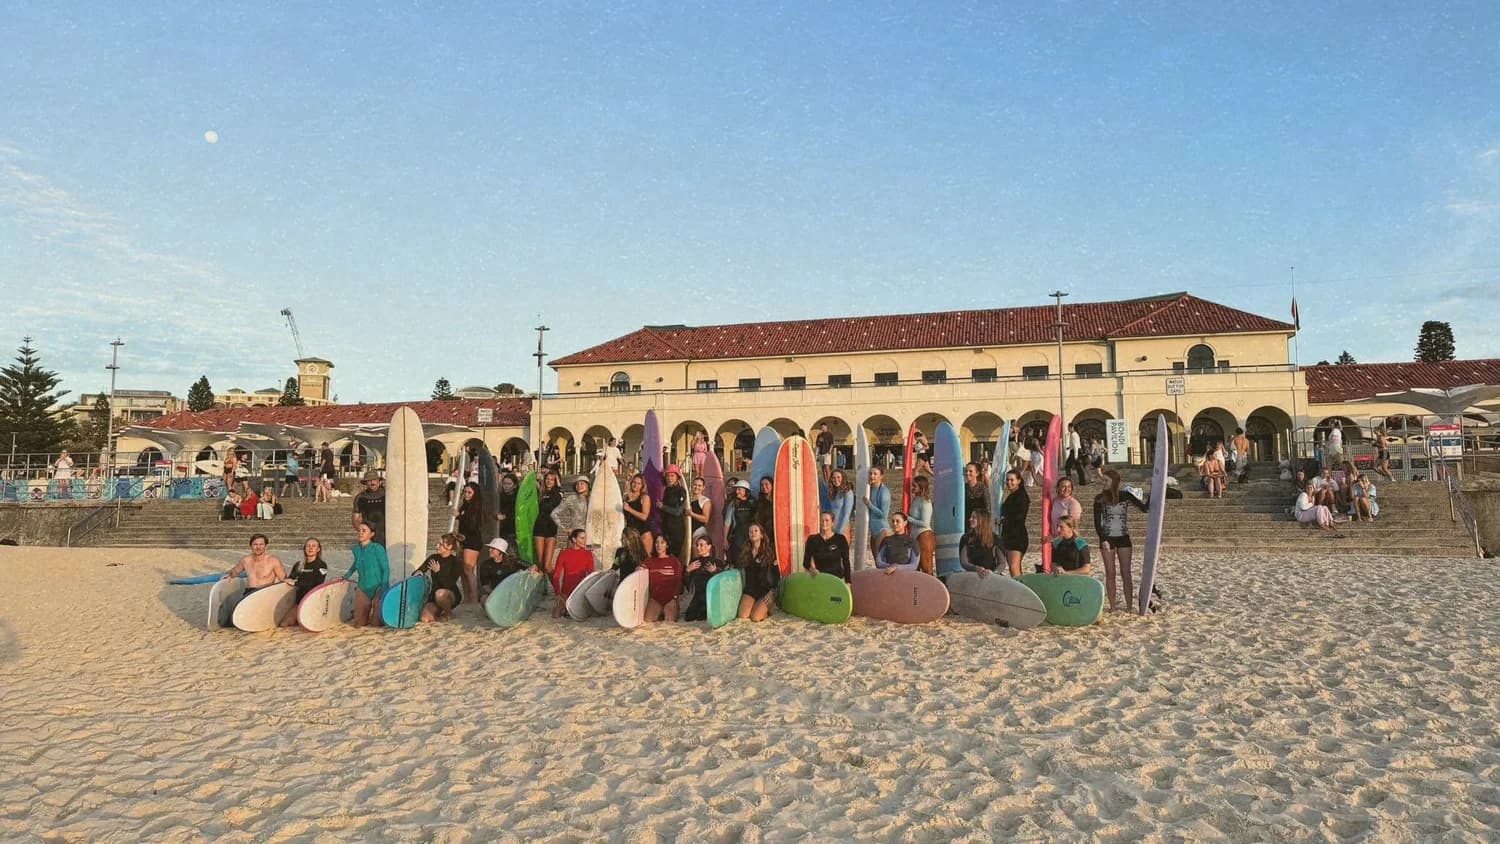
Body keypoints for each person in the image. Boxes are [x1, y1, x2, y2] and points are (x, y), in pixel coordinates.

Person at [1093, 469, 1148, 613]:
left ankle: (1129, 606)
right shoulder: (1099, 498)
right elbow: (1098, 522)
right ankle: (1113, 606)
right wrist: (1103, 539)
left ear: (1114, 482)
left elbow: (1144, 509)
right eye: (1103, 480)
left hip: (1123, 537)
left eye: (1106, 480)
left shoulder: (1126, 496)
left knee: (1126, 573)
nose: (1103, 482)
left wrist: (1156, 492)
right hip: (1107, 538)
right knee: (1110, 573)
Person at [343, 522, 389, 628]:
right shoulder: (356, 549)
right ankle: (364, 611)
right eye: (359, 530)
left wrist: (384, 586)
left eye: (364, 530)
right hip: (363, 587)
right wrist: (347, 575)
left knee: (376, 624)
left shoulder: (378, 548)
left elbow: (385, 568)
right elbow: (356, 563)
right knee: (359, 624)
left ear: (372, 534)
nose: (360, 533)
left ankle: (376, 610)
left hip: (378, 587)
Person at [280, 537, 328, 627]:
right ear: (304, 548)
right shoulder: (299, 565)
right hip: (298, 600)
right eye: (308, 546)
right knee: (284, 624)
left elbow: (317, 583)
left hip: (312, 600)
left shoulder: (322, 565)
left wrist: (296, 583)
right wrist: (287, 580)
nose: (310, 548)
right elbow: (291, 578)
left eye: (313, 546)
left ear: (318, 549)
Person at [415, 532, 464, 621]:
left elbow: (449, 584)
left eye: (441, 544)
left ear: (449, 547)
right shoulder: (433, 557)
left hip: (450, 595)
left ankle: (449, 613)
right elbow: (421, 570)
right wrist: (418, 573)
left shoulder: (456, 562)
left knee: (440, 593)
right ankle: (440, 613)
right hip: (434, 596)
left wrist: (438, 572)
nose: (437, 546)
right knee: (424, 619)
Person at [736, 523, 779, 622]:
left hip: (765, 591)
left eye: (756, 531)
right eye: (751, 531)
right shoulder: (745, 552)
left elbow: (776, 575)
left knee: (755, 617)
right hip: (750, 591)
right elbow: (737, 567)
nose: (753, 533)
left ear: (761, 535)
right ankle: (757, 606)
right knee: (743, 616)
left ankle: (768, 608)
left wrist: (772, 592)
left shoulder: (769, 552)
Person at [223, 534, 288, 597]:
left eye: (261, 544)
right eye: (255, 544)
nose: (258, 547)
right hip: (249, 593)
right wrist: (229, 575)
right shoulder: (246, 560)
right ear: (250, 546)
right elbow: (235, 571)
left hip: (265, 594)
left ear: (266, 546)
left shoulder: (273, 561)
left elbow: (284, 580)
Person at [551, 528, 597, 617]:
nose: (585, 541)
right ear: (574, 539)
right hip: (566, 591)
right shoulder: (563, 553)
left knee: (578, 613)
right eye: (582, 538)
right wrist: (557, 594)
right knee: (555, 615)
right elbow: (556, 575)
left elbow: (591, 574)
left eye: (585, 538)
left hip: (580, 590)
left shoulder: (588, 554)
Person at [681, 535, 725, 622]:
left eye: (701, 545)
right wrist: (687, 570)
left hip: (711, 596)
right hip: (698, 595)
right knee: (689, 617)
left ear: (709, 546)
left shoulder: (717, 562)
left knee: (703, 616)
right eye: (697, 545)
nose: (698, 548)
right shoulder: (694, 562)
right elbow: (686, 583)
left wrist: (715, 571)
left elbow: (722, 583)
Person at [455, 482, 486, 604]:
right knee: (462, 571)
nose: (466, 495)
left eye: (469, 492)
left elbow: (473, 525)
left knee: (468, 570)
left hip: (473, 540)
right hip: (463, 539)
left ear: (474, 494)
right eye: (465, 492)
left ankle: (473, 598)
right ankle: (467, 597)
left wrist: (460, 517)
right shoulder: (465, 506)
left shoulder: (477, 507)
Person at [642, 535, 684, 623]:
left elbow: (679, 580)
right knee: (647, 621)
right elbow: (640, 571)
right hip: (655, 598)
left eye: (662, 542)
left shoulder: (674, 561)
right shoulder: (650, 561)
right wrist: (639, 569)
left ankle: (669, 610)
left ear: (667, 545)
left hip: (670, 598)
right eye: (656, 542)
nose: (659, 545)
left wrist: (675, 597)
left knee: (670, 621)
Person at [803, 511, 851, 582]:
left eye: (827, 520)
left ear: (832, 523)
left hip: (837, 579)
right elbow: (806, 563)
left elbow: (846, 562)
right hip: (820, 579)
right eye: (822, 520)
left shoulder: (840, 539)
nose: (824, 523)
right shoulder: (812, 539)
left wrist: (848, 581)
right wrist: (812, 570)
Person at [998, 470, 1029, 577]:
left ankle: (1021, 592)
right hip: (1008, 535)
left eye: (1012, 480)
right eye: (1007, 480)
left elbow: (1019, 517)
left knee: (1014, 567)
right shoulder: (1012, 495)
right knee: (1013, 569)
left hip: (1017, 536)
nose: (1009, 482)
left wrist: (1003, 520)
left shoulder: (1022, 496)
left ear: (1019, 481)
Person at [532, 471, 563, 577]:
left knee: (547, 566)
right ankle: (543, 588)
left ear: (555, 481)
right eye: (547, 479)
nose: (549, 481)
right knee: (540, 563)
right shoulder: (540, 494)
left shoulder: (558, 494)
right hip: (539, 527)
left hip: (551, 528)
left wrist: (558, 487)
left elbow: (554, 504)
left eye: (552, 479)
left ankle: (556, 588)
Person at [956, 511, 1002, 578]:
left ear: (982, 520)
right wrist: (976, 568)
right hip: (973, 575)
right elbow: (964, 562)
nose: (970, 519)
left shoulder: (995, 538)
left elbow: (1002, 562)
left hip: (992, 575)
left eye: (974, 517)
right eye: (971, 517)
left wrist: (994, 573)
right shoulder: (966, 538)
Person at [477, 537, 522, 603]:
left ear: (500, 551)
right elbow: (485, 585)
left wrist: (532, 567)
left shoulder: (512, 562)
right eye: (490, 548)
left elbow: (528, 565)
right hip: (494, 593)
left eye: (493, 548)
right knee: (484, 599)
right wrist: (496, 594)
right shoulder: (485, 565)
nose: (489, 550)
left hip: (511, 594)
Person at [660, 465, 687, 558]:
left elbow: (678, 512)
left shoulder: (681, 491)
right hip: (666, 527)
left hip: (676, 529)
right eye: (668, 476)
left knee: (674, 555)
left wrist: (662, 507)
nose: (669, 478)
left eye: (672, 476)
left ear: (677, 477)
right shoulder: (666, 490)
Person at [352, 470, 386, 543]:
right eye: (369, 481)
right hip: (369, 537)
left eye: (374, 480)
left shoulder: (387, 495)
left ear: (379, 481)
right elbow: (356, 519)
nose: (372, 483)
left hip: (386, 534)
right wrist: (364, 533)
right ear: (365, 483)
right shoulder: (360, 497)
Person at [725, 480, 756, 561]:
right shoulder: (733, 504)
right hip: (738, 536)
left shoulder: (753, 503)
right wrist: (724, 539)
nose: (737, 492)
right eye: (736, 489)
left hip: (751, 535)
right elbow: (727, 523)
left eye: (739, 489)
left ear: (746, 491)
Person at [866, 466, 892, 559]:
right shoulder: (869, 489)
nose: (872, 476)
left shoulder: (884, 491)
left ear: (881, 476)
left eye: (875, 474)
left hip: (882, 529)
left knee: (880, 560)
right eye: (870, 473)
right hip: (873, 531)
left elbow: (884, 514)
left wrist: (870, 505)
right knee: (877, 563)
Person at [829, 470, 854, 540]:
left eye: (838, 477)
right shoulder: (833, 492)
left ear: (843, 478)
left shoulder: (848, 492)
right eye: (833, 478)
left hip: (843, 529)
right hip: (832, 529)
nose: (836, 480)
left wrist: (840, 533)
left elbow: (847, 514)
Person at [687, 476, 713, 543]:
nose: (697, 487)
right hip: (687, 530)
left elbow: (705, 519)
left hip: (698, 531)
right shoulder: (687, 499)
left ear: (703, 487)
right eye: (695, 485)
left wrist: (691, 514)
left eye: (699, 486)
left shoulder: (706, 501)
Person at [496, 473, 519, 544]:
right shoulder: (499, 497)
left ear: (515, 485)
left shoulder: (518, 499)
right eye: (504, 483)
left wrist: (505, 516)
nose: (506, 486)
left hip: (512, 531)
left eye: (509, 484)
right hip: (499, 530)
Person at [754, 476, 776, 549]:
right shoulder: (759, 502)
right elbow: (757, 519)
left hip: (777, 533)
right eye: (762, 485)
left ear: (772, 485)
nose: (764, 486)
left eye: (766, 484)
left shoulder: (778, 500)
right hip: (765, 534)